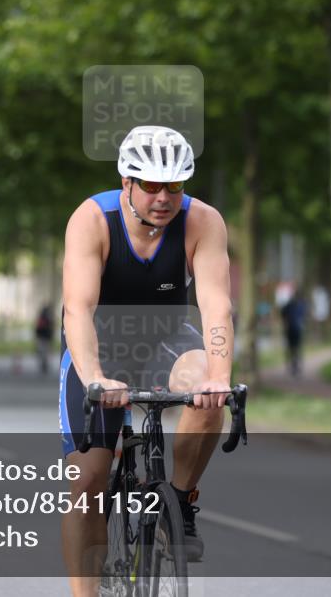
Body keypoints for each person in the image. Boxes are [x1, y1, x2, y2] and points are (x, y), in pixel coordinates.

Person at [60, 125, 233, 596]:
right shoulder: (92, 219)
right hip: (100, 344)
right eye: (151, 185)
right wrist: (94, 377)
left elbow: (217, 307)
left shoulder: (203, 221)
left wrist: (219, 377)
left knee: (210, 394)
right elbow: (78, 308)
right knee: (90, 480)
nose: (163, 197)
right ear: (126, 183)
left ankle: (178, 500)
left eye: (174, 186)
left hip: (166, 339)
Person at [280, 287, 306, 378]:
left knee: (294, 348)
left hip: (294, 329)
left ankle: (294, 365)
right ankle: (293, 365)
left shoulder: (293, 305)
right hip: (294, 329)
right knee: (294, 348)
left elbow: (283, 314)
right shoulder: (298, 305)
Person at [34, 304, 54, 375]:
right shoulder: (48, 319)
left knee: (43, 352)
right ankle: (44, 365)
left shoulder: (42, 318)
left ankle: (44, 365)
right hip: (45, 338)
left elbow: (37, 329)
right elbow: (50, 329)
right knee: (45, 352)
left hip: (42, 338)